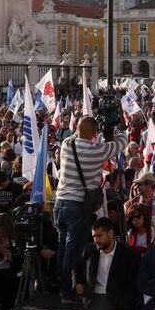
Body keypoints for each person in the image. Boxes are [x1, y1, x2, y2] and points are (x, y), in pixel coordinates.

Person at [56, 116, 128, 300]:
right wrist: (118, 130)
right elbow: (121, 144)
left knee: (63, 247)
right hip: (77, 206)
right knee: (73, 251)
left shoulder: (66, 144)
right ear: (95, 133)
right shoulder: (96, 151)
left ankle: (62, 287)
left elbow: (78, 134)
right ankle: (67, 292)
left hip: (60, 203)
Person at [73, 217, 139, 310]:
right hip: (93, 303)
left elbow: (132, 287)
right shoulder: (90, 250)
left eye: (99, 235)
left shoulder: (128, 255)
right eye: (94, 236)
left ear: (110, 234)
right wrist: (78, 283)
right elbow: (76, 267)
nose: (96, 240)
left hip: (116, 307)